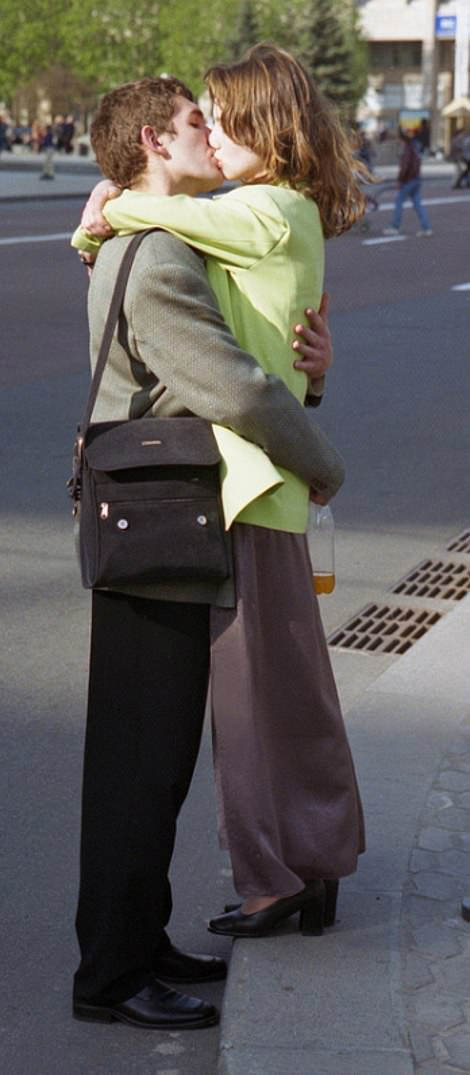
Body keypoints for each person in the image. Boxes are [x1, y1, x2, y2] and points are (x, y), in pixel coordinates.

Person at [70, 72, 343, 1032]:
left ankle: (139, 941)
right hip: (157, 525)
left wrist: (310, 366)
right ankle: (108, 973)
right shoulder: (156, 258)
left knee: (157, 754)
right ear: (153, 140)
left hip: (168, 522)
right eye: (195, 121)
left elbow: (265, 361)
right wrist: (322, 463)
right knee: (137, 763)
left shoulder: (155, 241)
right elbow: (233, 389)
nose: (210, 133)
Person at [383, 128, 432, 237]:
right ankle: (426, 228)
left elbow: (405, 167)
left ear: (402, 139)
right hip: (416, 179)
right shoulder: (414, 148)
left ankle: (395, 226)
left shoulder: (407, 150)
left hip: (408, 180)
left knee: (399, 202)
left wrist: (400, 180)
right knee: (418, 204)